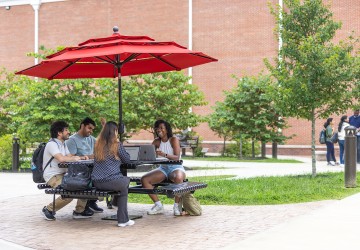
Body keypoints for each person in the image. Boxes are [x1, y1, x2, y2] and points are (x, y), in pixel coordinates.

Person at [41, 121, 94, 221]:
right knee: (68, 193)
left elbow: (69, 156)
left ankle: (79, 211)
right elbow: (61, 158)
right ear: (59, 133)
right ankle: (48, 209)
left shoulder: (63, 144)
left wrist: (82, 158)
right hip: (53, 176)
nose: (68, 132)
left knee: (84, 183)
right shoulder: (51, 144)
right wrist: (74, 159)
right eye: (66, 130)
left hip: (64, 175)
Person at [91, 121, 134, 227]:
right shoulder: (116, 145)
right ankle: (122, 219)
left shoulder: (97, 144)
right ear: (115, 131)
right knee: (126, 181)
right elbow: (127, 160)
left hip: (96, 182)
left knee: (123, 187)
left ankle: (120, 212)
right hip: (110, 181)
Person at [141, 119, 186, 216]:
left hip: (176, 167)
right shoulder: (157, 141)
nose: (159, 130)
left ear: (167, 129)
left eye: (162, 128)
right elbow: (147, 153)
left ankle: (176, 205)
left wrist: (163, 154)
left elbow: (176, 157)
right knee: (144, 179)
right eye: (157, 129)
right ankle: (158, 205)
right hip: (163, 168)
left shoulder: (173, 140)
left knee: (178, 177)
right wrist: (146, 153)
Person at [66, 117, 103, 213]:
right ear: (82, 126)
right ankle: (82, 208)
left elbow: (101, 144)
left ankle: (91, 201)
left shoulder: (90, 139)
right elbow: (70, 158)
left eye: (92, 129)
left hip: (91, 169)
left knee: (104, 176)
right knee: (90, 180)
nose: (91, 131)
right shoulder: (72, 140)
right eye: (89, 128)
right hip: (78, 172)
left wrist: (104, 127)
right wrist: (90, 156)